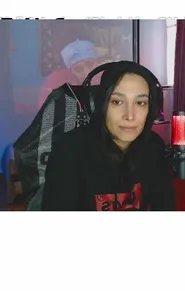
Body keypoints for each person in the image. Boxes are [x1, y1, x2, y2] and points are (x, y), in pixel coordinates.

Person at [40, 61, 175, 211]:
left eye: (140, 103)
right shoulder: (69, 150)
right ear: (101, 104)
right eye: (117, 102)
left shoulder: (153, 147)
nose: (130, 115)